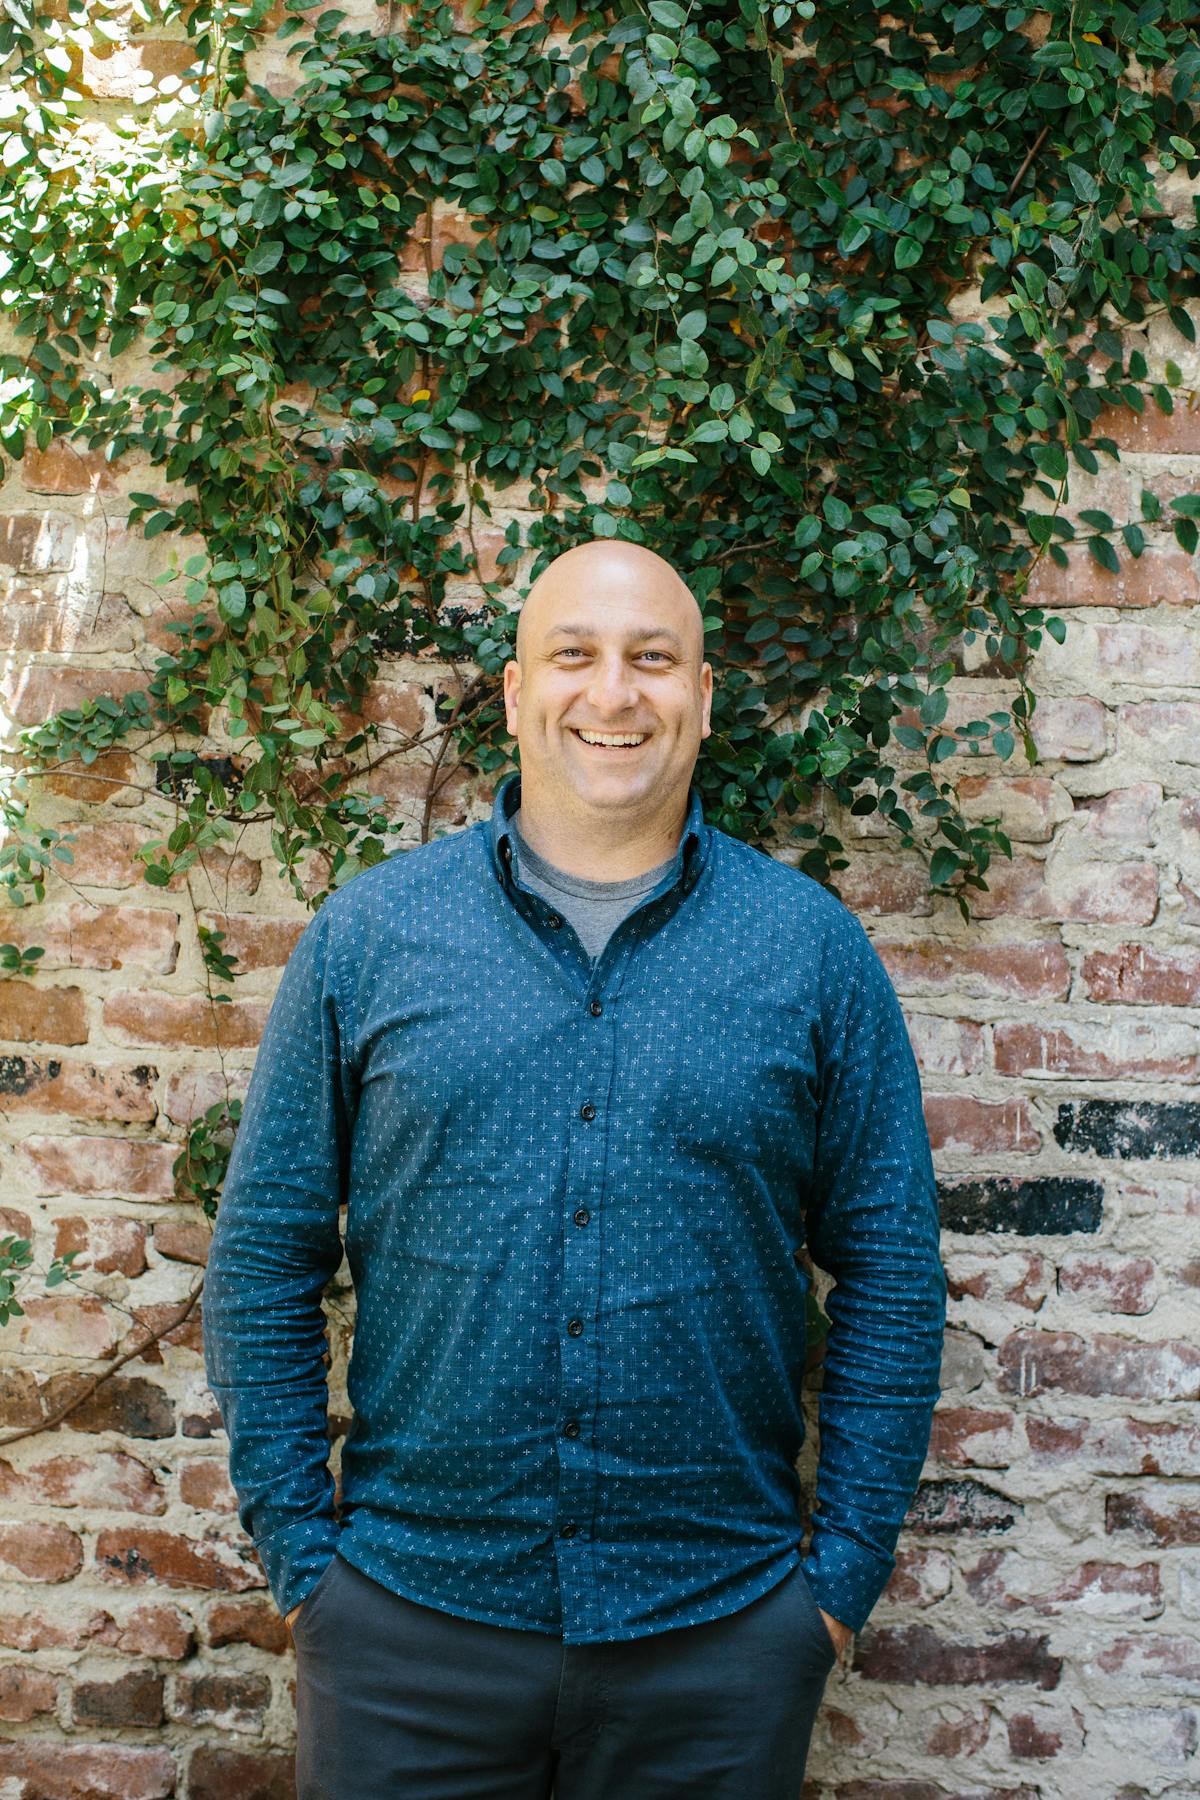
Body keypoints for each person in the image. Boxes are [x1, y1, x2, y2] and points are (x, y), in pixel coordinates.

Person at [202, 537, 947, 1798]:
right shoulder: (372, 938)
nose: (614, 693)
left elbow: (889, 1272)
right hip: (404, 1631)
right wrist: (303, 1565)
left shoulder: (811, 952)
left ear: (703, 698)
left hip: (718, 1639)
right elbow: (267, 1253)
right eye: (576, 656)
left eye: (652, 659)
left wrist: (834, 1590)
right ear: (513, 694)